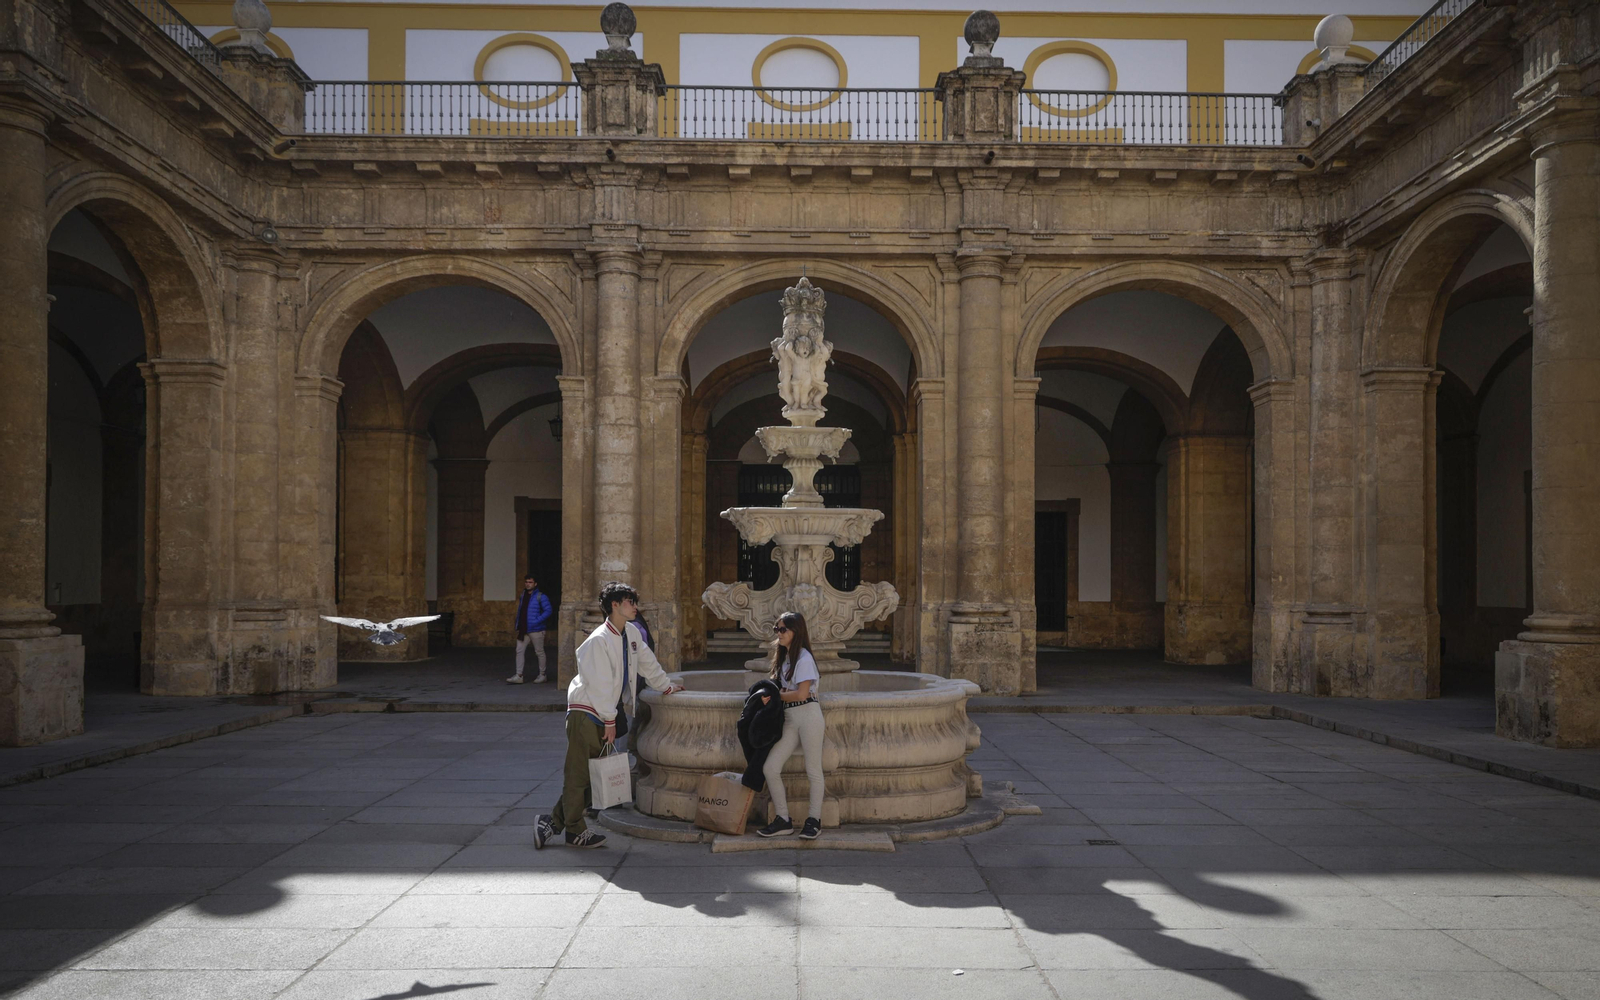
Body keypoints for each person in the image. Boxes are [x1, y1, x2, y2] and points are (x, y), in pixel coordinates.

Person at [534, 582, 682, 849]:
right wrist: (610, 720)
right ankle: (574, 831)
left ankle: (552, 823)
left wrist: (666, 686)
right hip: (586, 712)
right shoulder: (597, 640)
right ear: (615, 605)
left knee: (592, 775)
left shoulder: (631, 633)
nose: (635, 607)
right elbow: (599, 683)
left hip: (603, 713)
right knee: (578, 775)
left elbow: (648, 664)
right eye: (630, 602)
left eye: (634, 602)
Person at [756, 611, 824, 840]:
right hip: (791, 719)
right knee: (770, 767)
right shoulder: (785, 658)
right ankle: (783, 819)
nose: (779, 633)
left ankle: (814, 820)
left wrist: (776, 695)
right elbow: (787, 691)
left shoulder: (804, 658)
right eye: (777, 629)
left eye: (783, 629)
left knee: (813, 770)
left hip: (809, 715)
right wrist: (778, 693)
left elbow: (802, 693)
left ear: (796, 632)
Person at [507, 575, 553, 684]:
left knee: (539, 652)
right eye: (526, 582)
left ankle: (542, 674)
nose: (528, 584)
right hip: (524, 629)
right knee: (519, 651)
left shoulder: (541, 596)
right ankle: (519, 675)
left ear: (535, 584)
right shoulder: (523, 595)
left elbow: (548, 610)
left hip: (536, 629)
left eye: (530, 582)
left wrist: (536, 620)